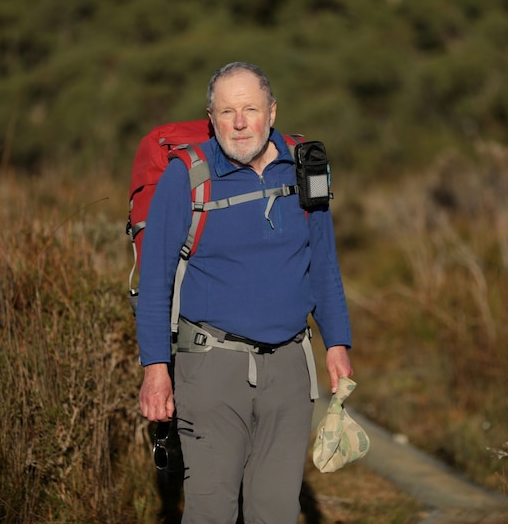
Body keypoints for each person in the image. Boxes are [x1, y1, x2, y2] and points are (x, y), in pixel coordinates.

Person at [136, 61, 354, 523]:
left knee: (274, 512)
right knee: (211, 510)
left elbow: (324, 263)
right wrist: (156, 368)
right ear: (210, 118)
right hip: (211, 370)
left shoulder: (304, 167)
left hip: (292, 371)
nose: (239, 123)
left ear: (271, 112)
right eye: (227, 111)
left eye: (250, 109)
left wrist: (337, 342)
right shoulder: (185, 178)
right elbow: (154, 280)